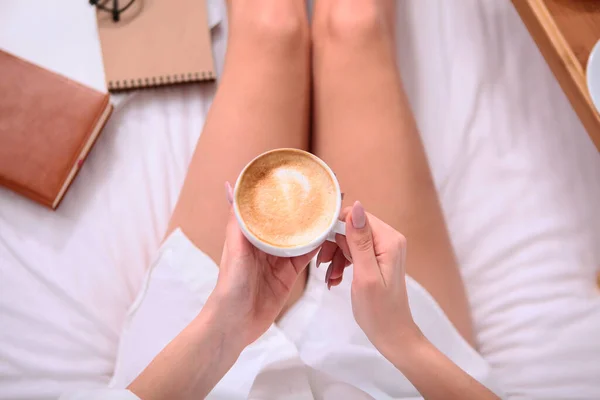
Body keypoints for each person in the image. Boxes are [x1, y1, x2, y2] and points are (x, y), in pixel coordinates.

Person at [63, 0, 502, 398]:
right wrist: (402, 339)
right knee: (356, 24)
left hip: (195, 355)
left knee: (271, 26)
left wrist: (222, 327)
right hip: (400, 377)